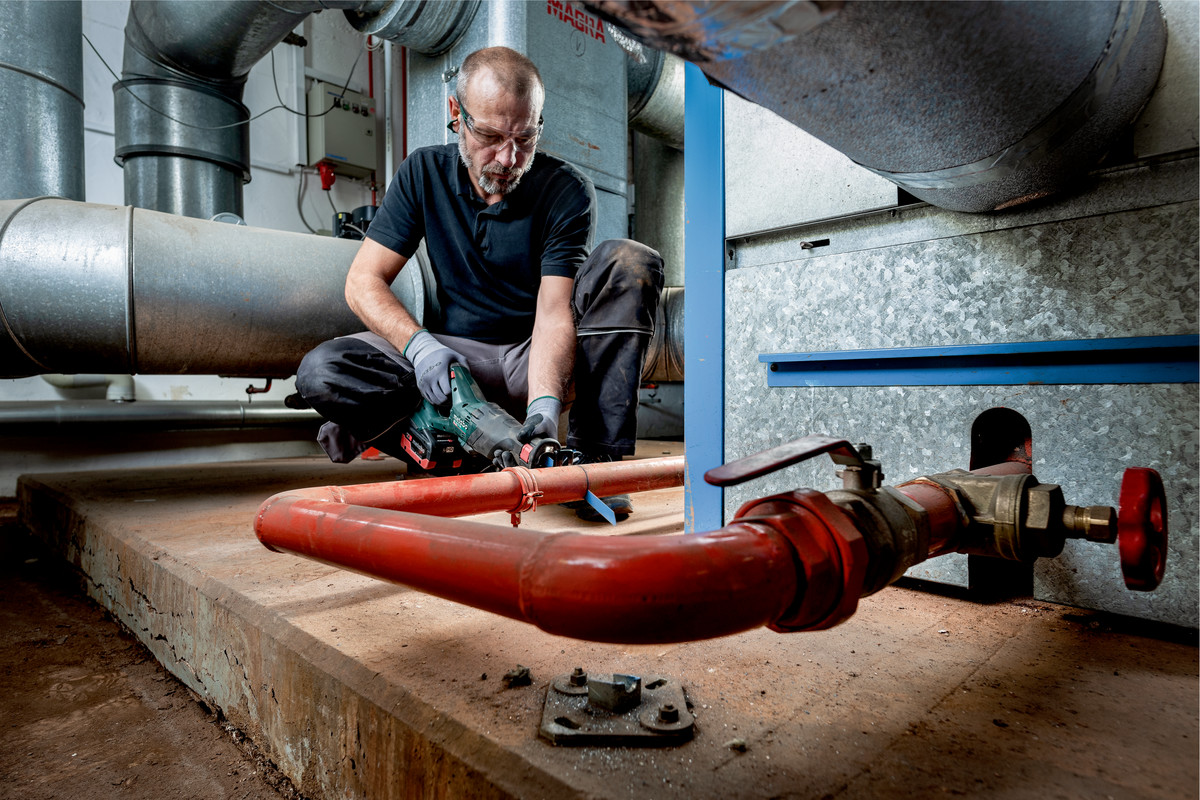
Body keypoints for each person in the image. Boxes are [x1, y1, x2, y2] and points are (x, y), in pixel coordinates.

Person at [295, 46, 664, 521]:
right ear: (456, 113)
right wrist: (420, 348)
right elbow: (363, 281)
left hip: (531, 357)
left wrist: (545, 405)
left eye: (525, 138)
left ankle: (592, 466)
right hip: (452, 362)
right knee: (323, 370)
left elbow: (554, 310)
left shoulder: (565, 190)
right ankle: (452, 448)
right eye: (490, 136)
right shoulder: (422, 173)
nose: (509, 158)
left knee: (629, 262)